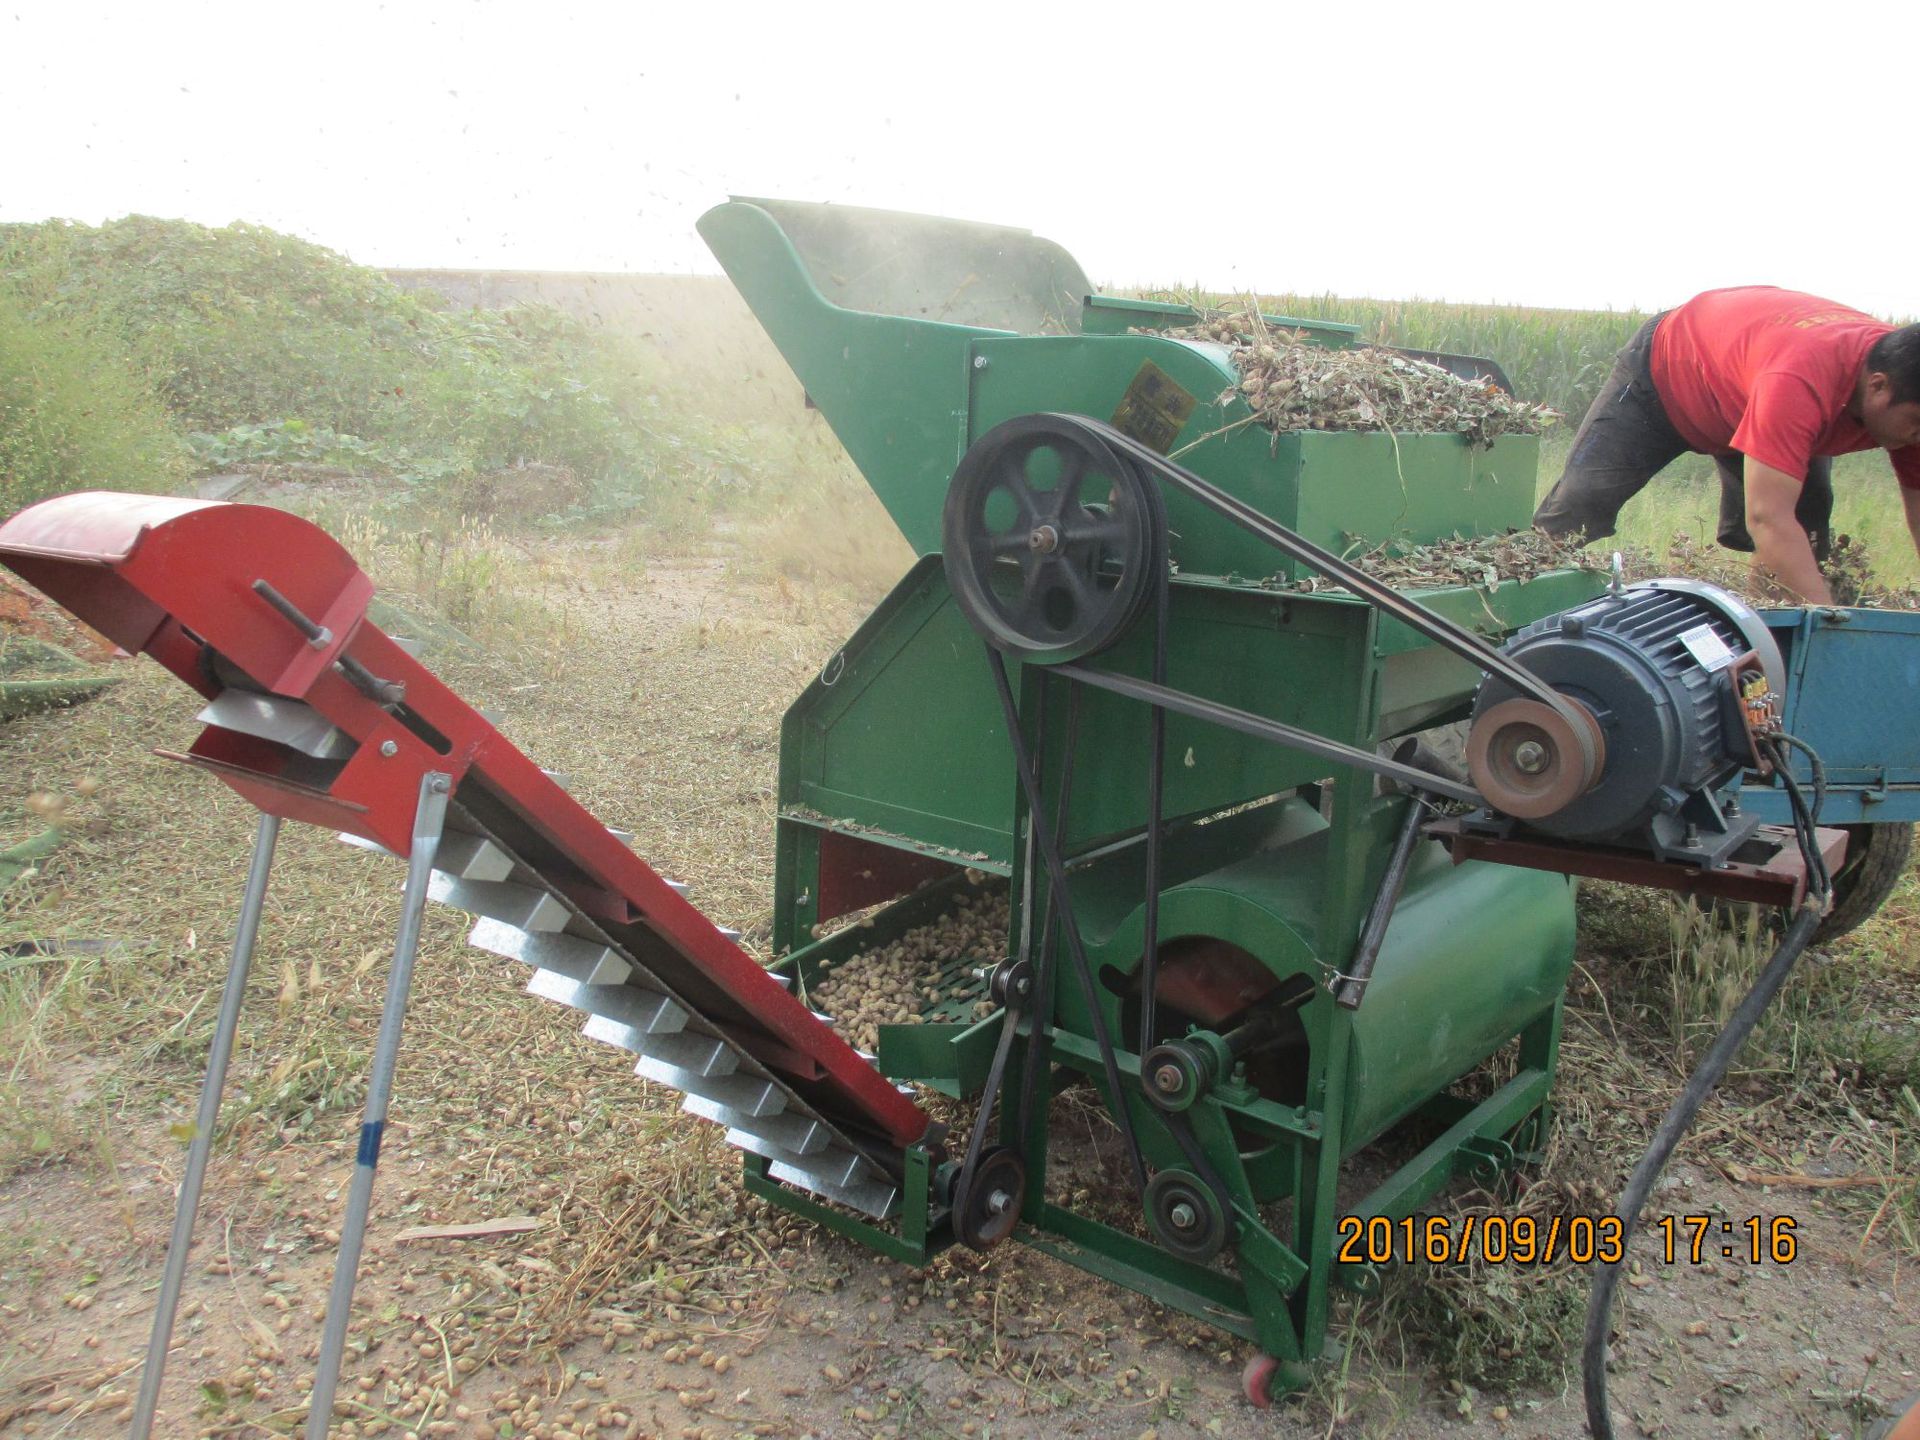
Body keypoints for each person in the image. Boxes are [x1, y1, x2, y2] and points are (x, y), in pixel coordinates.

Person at [1533, 287, 1920, 603]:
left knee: (1803, 536)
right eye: (1916, 426)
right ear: (1878, 386)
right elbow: (1769, 519)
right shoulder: (1799, 381)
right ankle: (1521, 610)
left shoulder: (1906, 387)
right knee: (1581, 501)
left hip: (1754, 391)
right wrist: (1832, 628)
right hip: (1667, 372)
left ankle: (1768, 647)